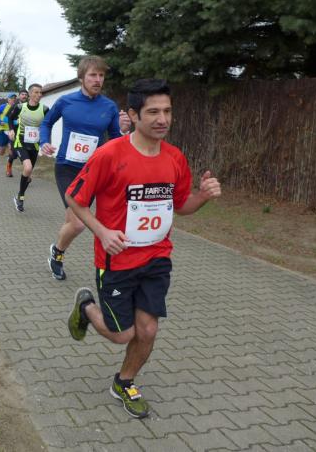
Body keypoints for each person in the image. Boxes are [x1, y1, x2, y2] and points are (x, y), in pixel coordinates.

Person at [66, 79, 221, 419]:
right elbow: (75, 199)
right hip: (116, 260)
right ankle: (86, 307)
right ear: (134, 115)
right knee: (122, 335)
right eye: (153, 112)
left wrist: (203, 196)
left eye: (167, 111)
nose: (162, 119)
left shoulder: (175, 158)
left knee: (148, 329)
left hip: (156, 258)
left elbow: (181, 205)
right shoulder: (110, 155)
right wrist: (102, 231)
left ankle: (124, 381)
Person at [40, 56, 131, 280]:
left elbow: (115, 140)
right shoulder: (66, 101)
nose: (98, 80)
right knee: (79, 223)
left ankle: (58, 249)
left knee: (73, 222)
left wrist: (124, 131)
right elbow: (47, 122)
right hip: (67, 168)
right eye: (93, 75)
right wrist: (44, 141)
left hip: (95, 171)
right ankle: (57, 254)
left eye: (101, 75)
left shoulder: (109, 106)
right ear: (81, 77)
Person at [8, 84, 48, 212]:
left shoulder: (45, 109)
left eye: (40, 92)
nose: (39, 95)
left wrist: (46, 141)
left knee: (28, 173)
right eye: (36, 92)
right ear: (30, 94)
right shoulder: (20, 107)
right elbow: (10, 118)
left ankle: (19, 195)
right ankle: (21, 197)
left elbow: (48, 124)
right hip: (21, 142)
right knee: (28, 168)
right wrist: (11, 130)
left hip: (34, 145)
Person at [0, 93, 17, 167]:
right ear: (8, 99)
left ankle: (9, 167)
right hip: (2, 130)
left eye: (14, 98)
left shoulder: (17, 107)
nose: (13, 99)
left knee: (11, 148)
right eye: (11, 98)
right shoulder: (3, 106)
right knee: (2, 152)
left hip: (11, 131)